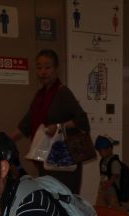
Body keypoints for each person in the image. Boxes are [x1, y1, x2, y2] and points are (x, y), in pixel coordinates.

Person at [10, 49, 90, 193]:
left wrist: (60, 126)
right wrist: (8, 139)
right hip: (46, 157)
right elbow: (27, 122)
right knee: (49, 197)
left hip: (64, 159)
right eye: (39, 67)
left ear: (56, 68)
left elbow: (82, 120)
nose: (43, 72)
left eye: (48, 67)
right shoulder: (40, 96)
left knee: (65, 199)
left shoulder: (63, 92)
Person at [94, 135, 122, 209]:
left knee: (115, 209)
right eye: (99, 151)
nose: (100, 153)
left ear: (109, 149)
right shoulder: (103, 161)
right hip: (104, 189)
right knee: (100, 207)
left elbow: (115, 175)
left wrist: (108, 184)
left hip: (113, 191)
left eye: (101, 150)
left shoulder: (114, 161)